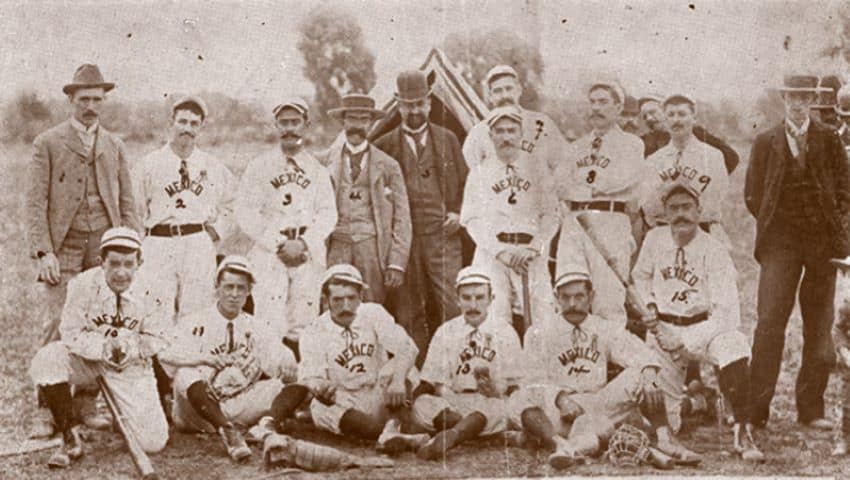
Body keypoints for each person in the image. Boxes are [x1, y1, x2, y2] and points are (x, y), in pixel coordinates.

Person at [26, 64, 141, 436]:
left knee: (102, 322)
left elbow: (127, 200)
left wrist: (132, 244)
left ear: (104, 101)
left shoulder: (114, 144)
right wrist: (45, 252)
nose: (91, 106)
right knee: (56, 323)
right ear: (71, 100)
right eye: (84, 99)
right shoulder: (48, 142)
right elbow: (34, 202)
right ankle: (46, 408)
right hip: (65, 245)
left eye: (97, 99)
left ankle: (86, 402)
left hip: (104, 245)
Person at [510, 263, 700, 469]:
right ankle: (562, 445)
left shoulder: (603, 327)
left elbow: (640, 352)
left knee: (643, 373)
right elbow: (532, 380)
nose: (572, 303)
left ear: (590, 297)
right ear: (556, 298)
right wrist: (560, 398)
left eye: (579, 296)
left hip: (599, 403)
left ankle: (664, 439)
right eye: (565, 297)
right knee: (518, 401)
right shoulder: (540, 332)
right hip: (560, 411)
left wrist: (649, 374)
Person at [746, 74, 850, 430]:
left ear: (812, 99)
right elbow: (753, 194)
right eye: (792, 96)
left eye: (805, 96)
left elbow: (845, 189)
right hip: (781, 243)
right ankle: (756, 410)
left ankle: (811, 410)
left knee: (818, 327)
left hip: (821, 243)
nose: (798, 103)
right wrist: (774, 226)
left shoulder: (828, 140)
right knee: (770, 323)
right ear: (783, 99)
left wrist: (834, 227)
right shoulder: (765, 141)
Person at [634, 181, 764, 461]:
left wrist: (683, 340)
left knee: (735, 344)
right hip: (663, 330)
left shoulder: (714, 249)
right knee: (663, 425)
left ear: (699, 211)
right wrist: (650, 306)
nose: (680, 214)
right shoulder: (654, 239)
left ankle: (743, 429)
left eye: (686, 207)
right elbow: (640, 278)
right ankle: (695, 404)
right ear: (665, 214)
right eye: (673, 208)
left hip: (704, 329)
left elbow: (727, 314)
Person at [28, 227, 169, 469]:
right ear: (101, 261)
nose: (121, 272)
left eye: (128, 264)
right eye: (114, 263)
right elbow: (71, 332)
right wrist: (103, 347)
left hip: (131, 366)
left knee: (153, 442)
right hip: (89, 360)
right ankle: (69, 436)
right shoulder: (81, 284)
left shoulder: (153, 288)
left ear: (140, 262)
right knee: (47, 358)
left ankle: (125, 411)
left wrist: (129, 347)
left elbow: (160, 336)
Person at [264, 264, 429, 453]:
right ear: (326, 301)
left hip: (376, 391)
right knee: (326, 409)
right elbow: (310, 378)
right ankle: (388, 434)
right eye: (338, 300)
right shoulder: (314, 330)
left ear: (361, 297)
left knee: (405, 368)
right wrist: (320, 387)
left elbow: (407, 348)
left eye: (351, 298)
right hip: (343, 397)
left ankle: (392, 427)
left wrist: (398, 380)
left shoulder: (373, 313)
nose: (346, 306)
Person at [159, 256, 299, 462]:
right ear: (217, 287)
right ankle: (227, 430)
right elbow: (164, 354)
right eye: (228, 287)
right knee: (185, 374)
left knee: (298, 382)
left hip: (238, 404)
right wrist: (202, 359)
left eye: (241, 288)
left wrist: (288, 364)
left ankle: (265, 425)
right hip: (197, 412)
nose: (234, 294)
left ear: (249, 290)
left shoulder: (257, 326)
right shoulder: (195, 320)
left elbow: (283, 358)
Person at [373, 70, 468, 364]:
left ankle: (453, 368)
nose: (414, 111)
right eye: (407, 105)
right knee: (408, 310)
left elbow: (468, 186)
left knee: (451, 305)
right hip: (404, 243)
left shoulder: (448, 139)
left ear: (429, 103)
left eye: (419, 104)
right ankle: (415, 376)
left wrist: (458, 213)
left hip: (441, 238)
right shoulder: (385, 144)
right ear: (398, 105)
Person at [235, 98, 337, 348]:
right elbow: (245, 211)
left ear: (306, 125)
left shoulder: (317, 170)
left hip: (306, 253)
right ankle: (271, 382)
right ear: (276, 125)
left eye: (295, 122)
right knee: (269, 320)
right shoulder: (259, 167)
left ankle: (300, 383)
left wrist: (303, 243)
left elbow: (327, 213)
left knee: (304, 322)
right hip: (270, 252)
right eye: (283, 122)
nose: (289, 128)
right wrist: (279, 244)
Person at [133, 95, 235, 326]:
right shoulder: (149, 164)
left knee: (197, 309)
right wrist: (141, 243)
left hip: (197, 241)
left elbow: (232, 203)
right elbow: (135, 209)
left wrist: (216, 232)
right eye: (182, 121)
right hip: (159, 241)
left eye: (193, 123)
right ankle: (158, 362)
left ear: (201, 128)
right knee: (156, 309)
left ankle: (191, 361)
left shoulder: (212, 166)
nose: (187, 128)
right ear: (171, 123)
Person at [555, 81, 649, 327]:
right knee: (570, 292)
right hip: (574, 224)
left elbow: (623, 179)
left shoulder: (632, 144)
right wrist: (589, 190)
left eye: (603, 102)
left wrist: (584, 189)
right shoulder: (575, 147)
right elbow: (560, 185)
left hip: (611, 221)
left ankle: (611, 362)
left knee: (608, 300)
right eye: (592, 102)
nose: (596, 108)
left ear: (618, 108)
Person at [460, 106, 559, 338]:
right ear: (491, 135)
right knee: (494, 321)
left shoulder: (538, 169)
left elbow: (551, 215)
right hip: (493, 254)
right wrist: (500, 252)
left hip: (530, 254)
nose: (506, 137)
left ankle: (540, 371)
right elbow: (472, 219)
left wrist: (535, 247)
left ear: (520, 133)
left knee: (542, 320)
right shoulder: (479, 172)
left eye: (511, 130)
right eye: (500, 131)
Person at [411, 266, 522, 460]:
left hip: (490, 402)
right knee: (423, 404)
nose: (473, 305)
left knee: (502, 408)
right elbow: (437, 383)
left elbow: (514, 385)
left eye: (479, 297)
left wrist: (495, 390)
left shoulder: (505, 331)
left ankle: (450, 437)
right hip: (454, 401)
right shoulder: (446, 331)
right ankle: (470, 433)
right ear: (457, 299)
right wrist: (451, 400)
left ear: (491, 299)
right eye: (466, 298)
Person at [321, 94, 411, 305]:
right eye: (352, 119)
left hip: (371, 247)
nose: (356, 126)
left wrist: (396, 262)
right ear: (343, 122)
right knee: (333, 303)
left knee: (371, 305)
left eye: (363, 119)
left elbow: (402, 216)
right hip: (336, 245)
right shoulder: (326, 162)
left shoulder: (388, 165)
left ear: (371, 123)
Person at [643, 94, 731, 248]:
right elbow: (648, 207)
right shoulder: (654, 160)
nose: (676, 120)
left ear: (694, 119)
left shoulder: (712, 156)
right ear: (665, 119)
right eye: (671, 114)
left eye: (682, 114)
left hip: (704, 232)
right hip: (665, 233)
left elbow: (716, 202)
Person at [462, 65, 568, 172]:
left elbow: (563, 165)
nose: (505, 95)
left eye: (509, 89)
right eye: (497, 91)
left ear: (519, 90)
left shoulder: (541, 123)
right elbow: (474, 175)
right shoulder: (479, 132)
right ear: (490, 96)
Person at [638, 95, 740, 174]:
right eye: (644, 116)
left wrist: (706, 180)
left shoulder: (694, 132)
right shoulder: (643, 142)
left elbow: (731, 157)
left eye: (653, 112)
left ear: (664, 111)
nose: (649, 118)